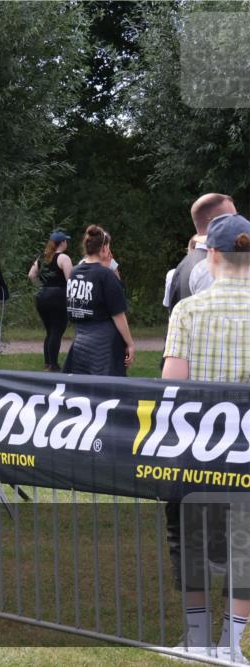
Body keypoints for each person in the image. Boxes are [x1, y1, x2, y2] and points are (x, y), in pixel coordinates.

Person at [162, 213, 250, 662]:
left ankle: (196, 639)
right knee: (244, 546)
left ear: (211, 255)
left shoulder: (188, 310)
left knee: (190, 543)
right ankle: (232, 647)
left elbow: (172, 386)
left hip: (197, 450)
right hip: (248, 455)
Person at [62, 225, 135, 376]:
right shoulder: (106, 275)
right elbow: (118, 315)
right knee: (108, 392)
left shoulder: (74, 272)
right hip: (105, 345)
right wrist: (129, 343)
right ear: (104, 248)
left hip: (80, 340)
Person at [166, 193, 237, 309]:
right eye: (232, 218)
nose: (238, 222)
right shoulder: (211, 268)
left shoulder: (179, 268)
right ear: (213, 223)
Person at [28, 230, 73, 371]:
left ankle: (48, 363)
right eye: (66, 240)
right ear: (62, 243)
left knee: (49, 331)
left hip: (42, 296)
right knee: (57, 331)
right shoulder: (64, 258)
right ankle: (53, 364)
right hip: (58, 297)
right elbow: (70, 280)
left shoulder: (42, 257)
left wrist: (41, 287)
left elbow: (31, 275)